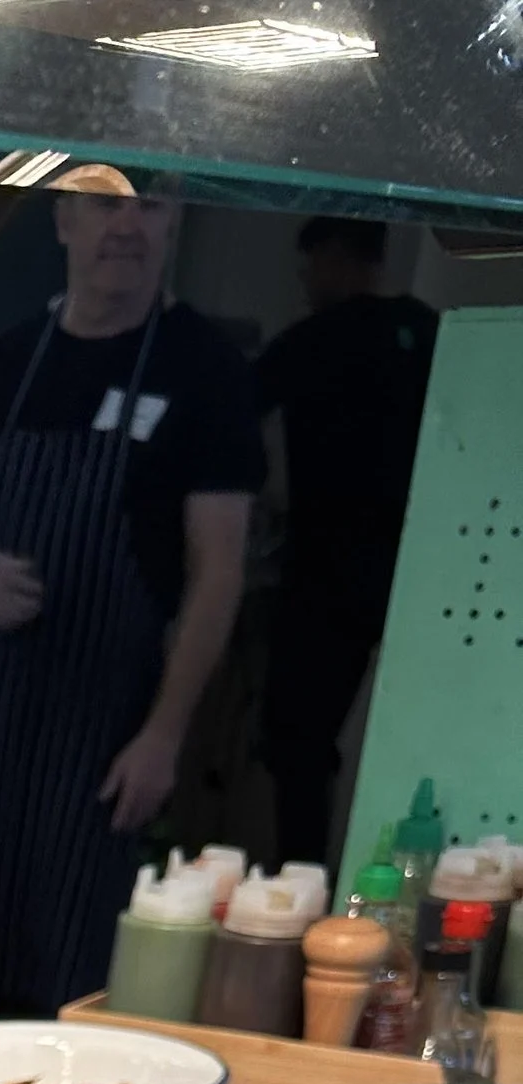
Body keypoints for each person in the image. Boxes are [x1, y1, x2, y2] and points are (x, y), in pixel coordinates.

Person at [0, 172, 262, 1023]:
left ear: (173, 223)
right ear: (63, 221)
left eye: (149, 206)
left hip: (100, 748)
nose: (126, 225)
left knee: (62, 998)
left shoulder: (206, 373)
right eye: (104, 204)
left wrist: (164, 736)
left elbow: (219, 572)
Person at [256, 218, 438, 869]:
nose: (306, 282)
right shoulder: (429, 333)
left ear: (336, 258)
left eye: (310, 266)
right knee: (417, 737)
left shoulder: (312, 341)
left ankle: (303, 874)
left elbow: (233, 416)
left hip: (323, 568)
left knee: (298, 739)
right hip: (419, 567)